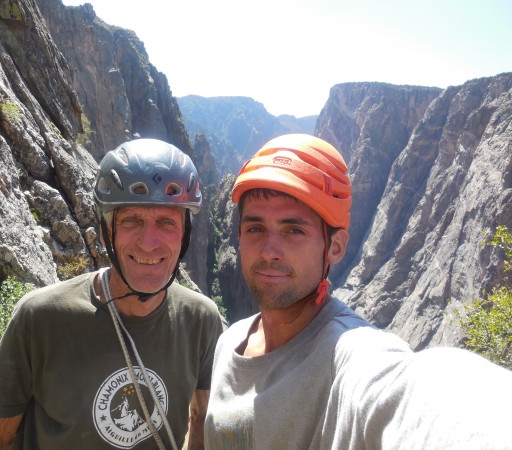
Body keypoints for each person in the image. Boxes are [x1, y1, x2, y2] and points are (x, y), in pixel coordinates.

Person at [204, 133, 512, 449]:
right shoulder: (229, 342)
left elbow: (417, 396)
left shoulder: (353, 358)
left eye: (293, 230)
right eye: (256, 228)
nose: (269, 251)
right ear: (239, 236)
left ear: (335, 247)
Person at [0, 138, 225, 449]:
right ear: (106, 234)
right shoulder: (41, 318)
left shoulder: (201, 318)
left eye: (166, 222)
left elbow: (203, 416)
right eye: (131, 220)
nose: (149, 242)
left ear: (185, 234)